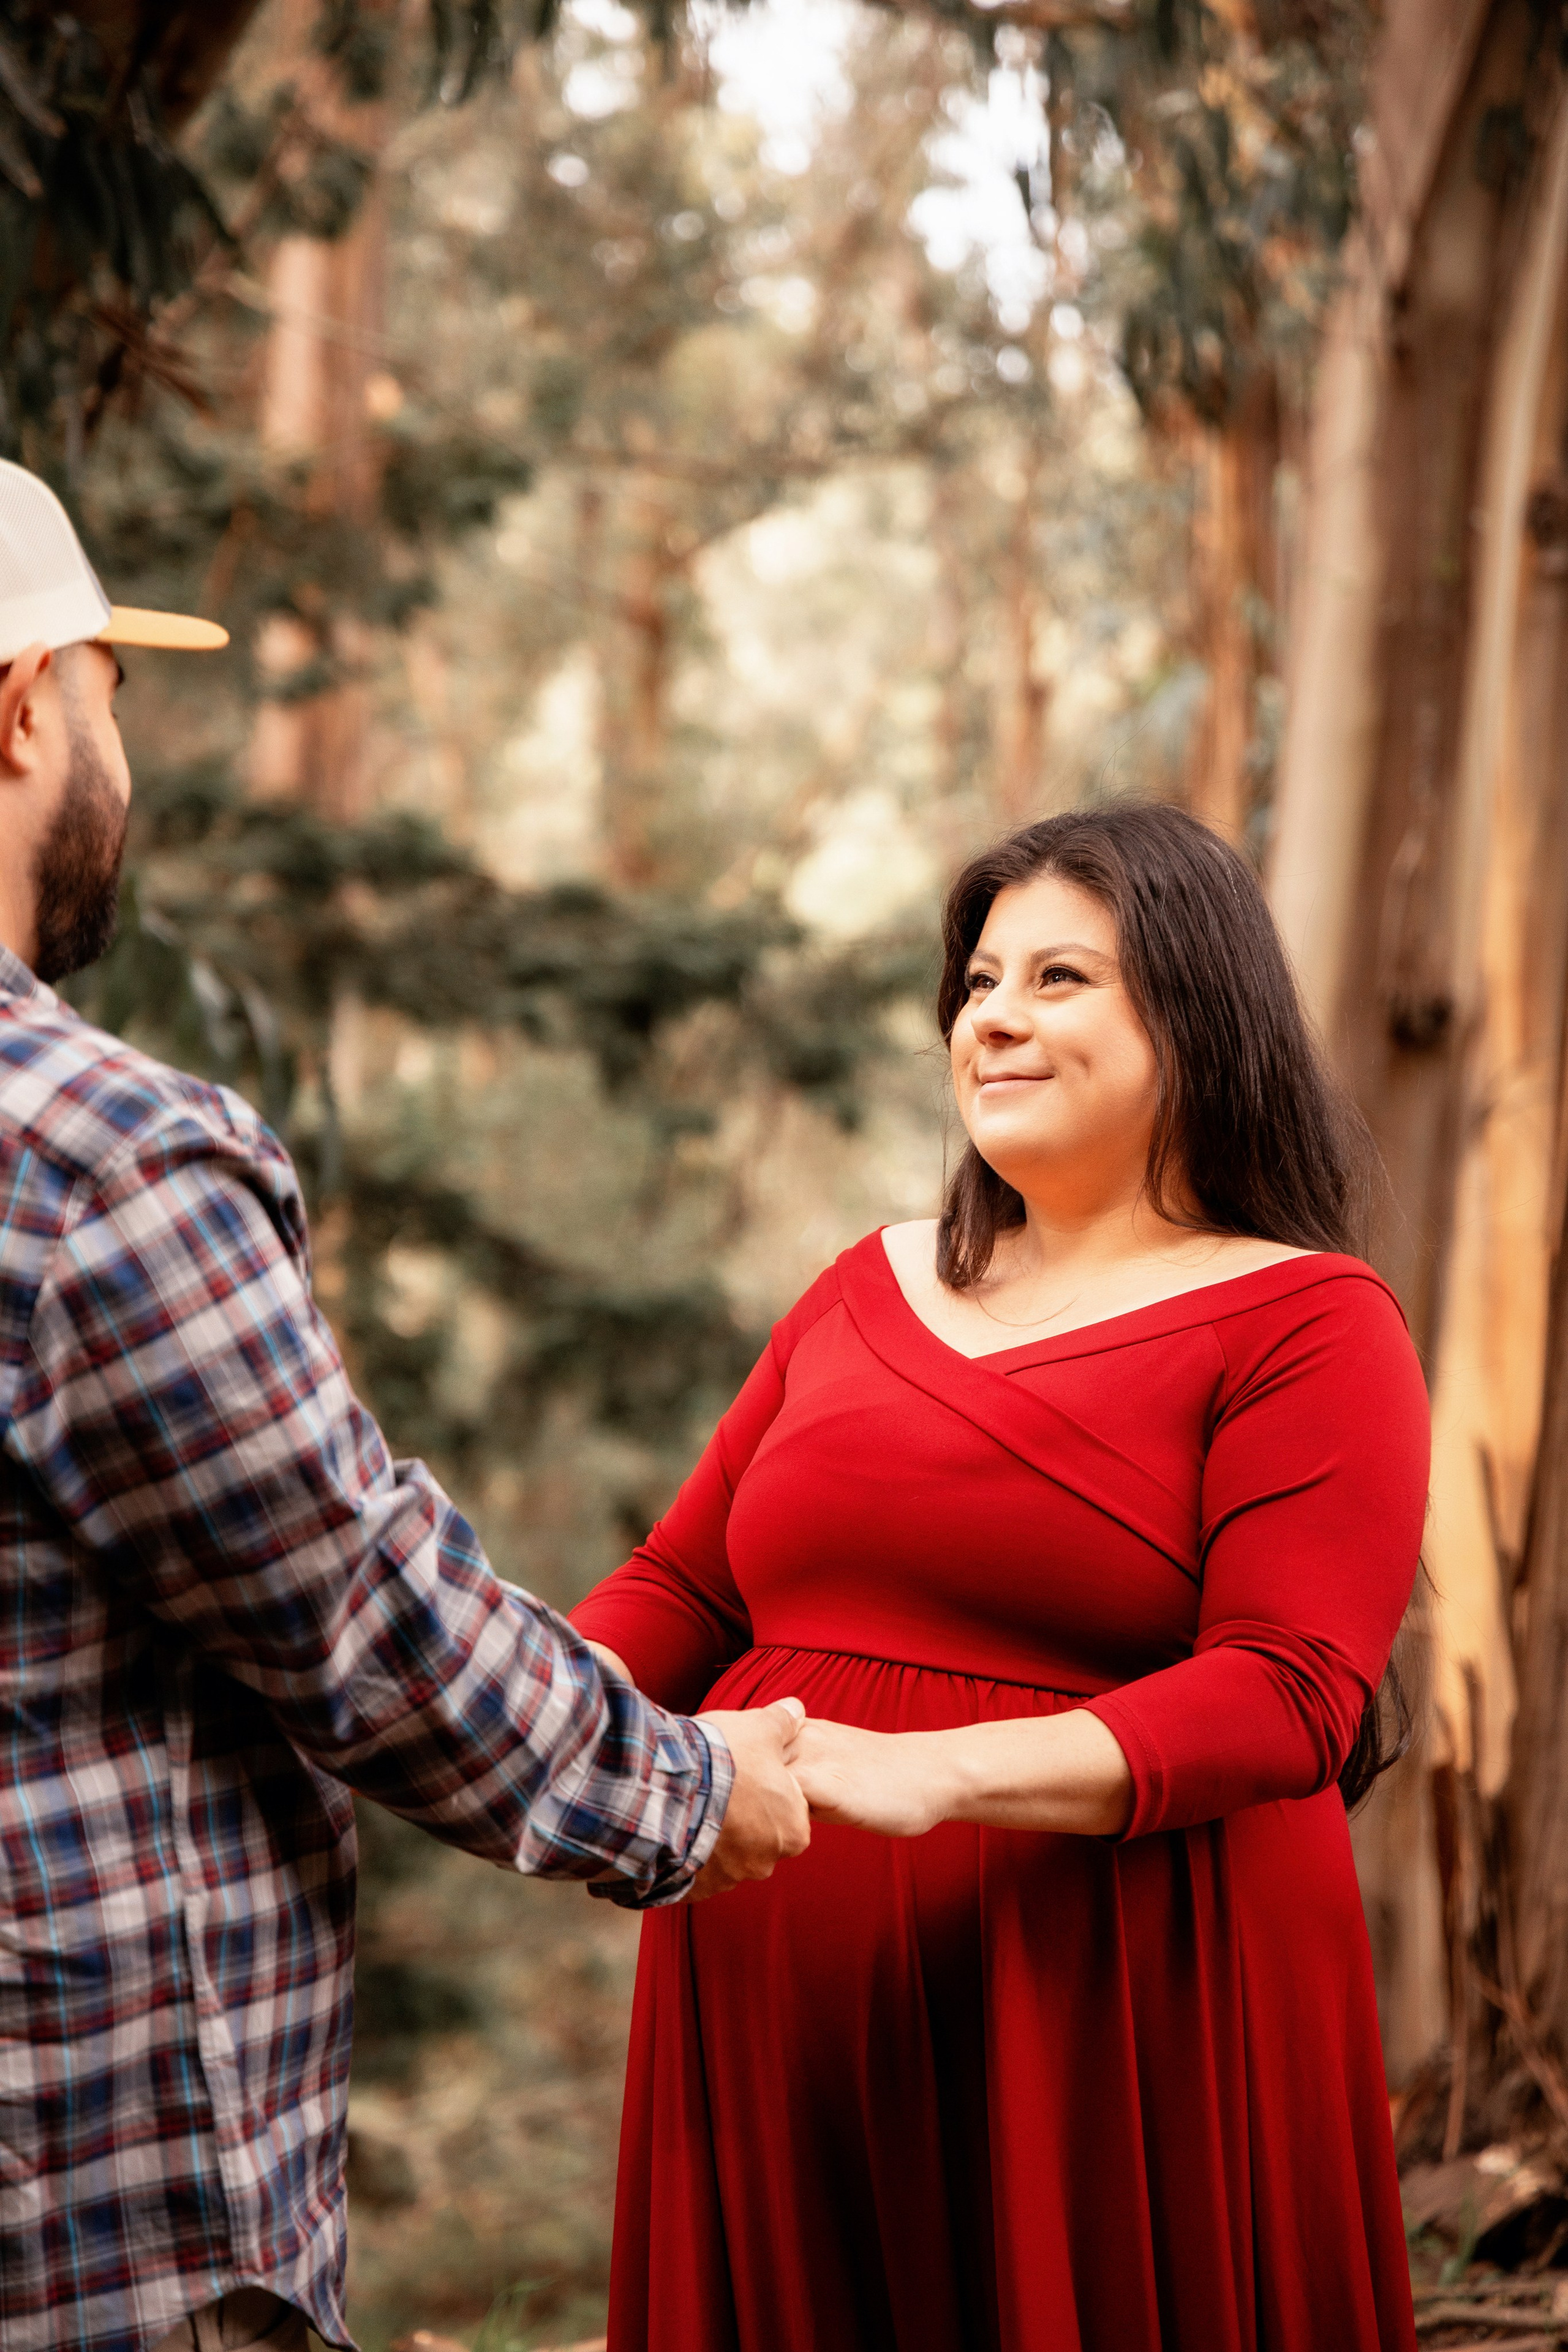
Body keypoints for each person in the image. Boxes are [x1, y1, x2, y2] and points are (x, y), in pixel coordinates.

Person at [0, 458, 810, 2352]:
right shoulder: (95, 1161)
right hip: (99, 2225)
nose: (130, 756)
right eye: (117, 695)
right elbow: (364, 1614)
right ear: (26, 707)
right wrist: (689, 1790)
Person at [572, 804, 1430, 2352]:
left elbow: (1287, 1690)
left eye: (1058, 979)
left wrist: (928, 1777)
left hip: (1110, 2015)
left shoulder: (1309, 1322)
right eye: (976, 983)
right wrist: (490, 1707)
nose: (995, 1021)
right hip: (775, 2019)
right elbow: (682, 1591)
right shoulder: (862, 1285)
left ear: (1195, 1014)